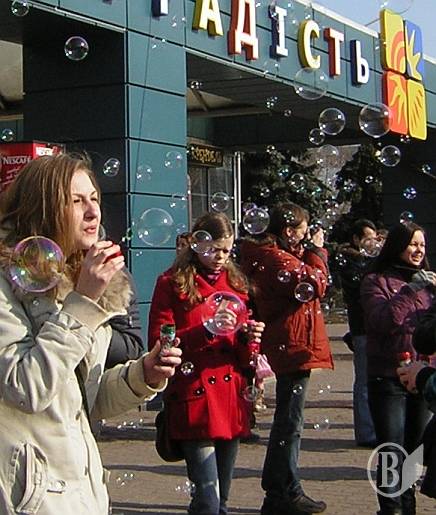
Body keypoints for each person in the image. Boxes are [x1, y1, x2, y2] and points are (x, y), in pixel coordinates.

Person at [0, 153, 182, 515]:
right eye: (76, 200)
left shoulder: (73, 281)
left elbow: (83, 399)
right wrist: (83, 304)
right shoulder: (8, 284)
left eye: (95, 198)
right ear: (43, 208)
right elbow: (26, 388)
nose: (92, 212)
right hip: (28, 500)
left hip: (78, 493)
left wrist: (141, 375)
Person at [148, 212, 264, 515]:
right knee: (208, 501)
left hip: (230, 399)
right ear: (197, 244)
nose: (220, 257)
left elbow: (246, 356)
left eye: (227, 250)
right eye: (214, 249)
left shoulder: (236, 284)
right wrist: (207, 329)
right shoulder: (171, 283)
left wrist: (249, 338)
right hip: (195, 396)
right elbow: (159, 343)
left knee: (221, 500)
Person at [240, 201, 333, 515]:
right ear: (290, 231)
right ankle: (283, 492)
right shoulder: (275, 257)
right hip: (292, 346)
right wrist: (317, 251)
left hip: (293, 344)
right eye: (303, 230)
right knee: (290, 422)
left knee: (290, 420)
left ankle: (281, 489)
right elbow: (315, 283)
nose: (307, 236)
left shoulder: (277, 255)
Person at [360, 221, 435, 515]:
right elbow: (383, 321)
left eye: (423, 245)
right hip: (388, 376)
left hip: (422, 375)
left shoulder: (430, 284)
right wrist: (410, 290)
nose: (419, 251)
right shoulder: (375, 281)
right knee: (391, 449)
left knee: (415, 449)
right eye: (413, 244)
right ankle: (391, 509)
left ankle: (408, 504)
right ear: (398, 245)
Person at [338, 218, 378, 447]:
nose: (373, 243)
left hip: (377, 327)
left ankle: (377, 427)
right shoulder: (351, 262)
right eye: (368, 238)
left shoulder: (371, 262)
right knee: (363, 380)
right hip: (362, 327)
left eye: (375, 238)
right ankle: (366, 432)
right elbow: (358, 289)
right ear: (356, 239)